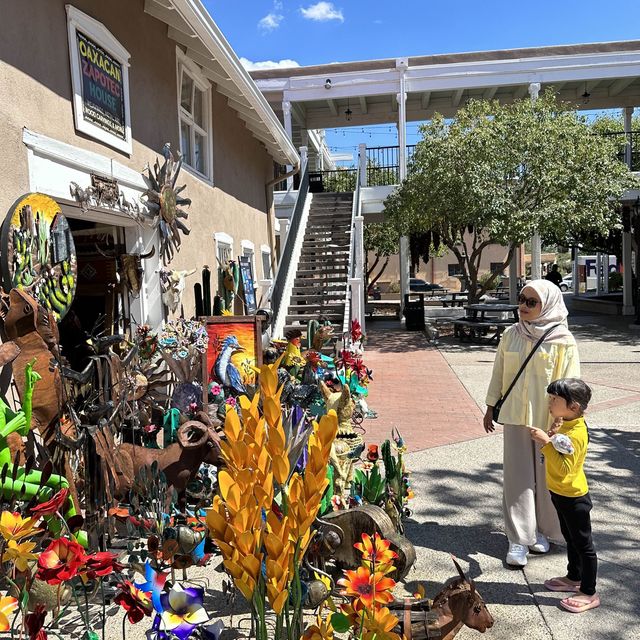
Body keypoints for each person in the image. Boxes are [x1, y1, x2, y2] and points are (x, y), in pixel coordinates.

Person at [484, 279, 580, 567]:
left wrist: (562, 419)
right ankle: (518, 538)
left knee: (547, 476)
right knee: (517, 477)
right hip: (515, 415)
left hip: (549, 419)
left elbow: (571, 382)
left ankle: (542, 530)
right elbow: (499, 372)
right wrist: (490, 406)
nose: (523, 306)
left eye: (531, 302)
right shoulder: (510, 335)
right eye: (522, 300)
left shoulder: (563, 341)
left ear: (547, 305)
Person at [530, 378, 599, 613]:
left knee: (584, 545)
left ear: (574, 407)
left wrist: (545, 442)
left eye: (555, 399)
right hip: (560, 493)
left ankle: (589, 592)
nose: (549, 402)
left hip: (574, 497)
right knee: (570, 538)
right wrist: (554, 437)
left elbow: (565, 468)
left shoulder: (576, 433)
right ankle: (574, 577)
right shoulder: (567, 424)